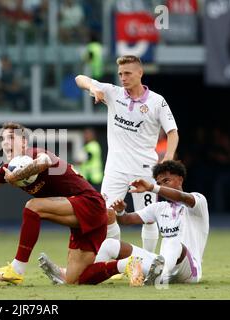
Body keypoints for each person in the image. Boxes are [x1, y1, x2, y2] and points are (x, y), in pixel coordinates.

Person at [0, 122, 107, 285]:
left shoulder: (35, 153)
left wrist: (16, 177)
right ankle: (125, 266)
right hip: (78, 213)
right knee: (74, 279)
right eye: (3, 139)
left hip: (90, 203)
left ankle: (17, 269)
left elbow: (44, 162)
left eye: (11, 137)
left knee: (33, 207)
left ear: (23, 142)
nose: (6, 142)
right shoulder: (9, 168)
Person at [39, 160, 209, 287]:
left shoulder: (198, 201)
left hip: (189, 271)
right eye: (159, 182)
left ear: (180, 179)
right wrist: (120, 211)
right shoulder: (159, 207)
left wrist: (152, 188)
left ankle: (158, 276)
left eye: (166, 180)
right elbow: (127, 220)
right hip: (161, 266)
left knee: (173, 242)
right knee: (109, 244)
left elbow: (183, 197)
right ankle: (70, 276)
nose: (161, 185)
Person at [75, 55, 179, 253]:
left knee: (148, 218)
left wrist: (167, 159)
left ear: (140, 73)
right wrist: (93, 88)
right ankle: (116, 263)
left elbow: (173, 133)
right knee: (106, 214)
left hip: (145, 170)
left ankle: (149, 261)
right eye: (120, 74)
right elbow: (80, 78)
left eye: (127, 73)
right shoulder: (113, 94)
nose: (123, 78)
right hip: (116, 169)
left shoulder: (157, 102)